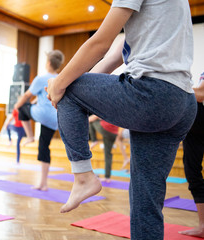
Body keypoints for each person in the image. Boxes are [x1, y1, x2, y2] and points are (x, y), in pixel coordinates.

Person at [46, 1, 196, 240]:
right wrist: (72, 95)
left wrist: (60, 85)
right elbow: (108, 61)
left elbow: (98, 44)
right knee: (146, 198)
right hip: (183, 104)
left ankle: (83, 177)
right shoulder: (163, 13)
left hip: (153, 96)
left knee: (68, 82)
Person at [14, 50, 64, 191]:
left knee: (23, 108)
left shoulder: (41, 78)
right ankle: (43, 184)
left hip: (42, 114)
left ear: (48, 63)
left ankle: (29, 136)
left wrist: (17, 106)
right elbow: (44, 96)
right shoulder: (61, 78)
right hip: (54, 119)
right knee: (44, 147)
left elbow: (26, 96)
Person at [179, 73, 204, 238]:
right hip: (195, 127)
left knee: (193, 173)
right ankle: (203, 226)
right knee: (192, 173)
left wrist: (173, 87)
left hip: (199, 123)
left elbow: (201, 94)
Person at [89, 115, 118, 182]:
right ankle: (107, 177)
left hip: (106, 129)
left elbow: (92, 118)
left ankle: (94, 140)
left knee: (92, 122)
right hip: (114, 133)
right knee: (108, 155)